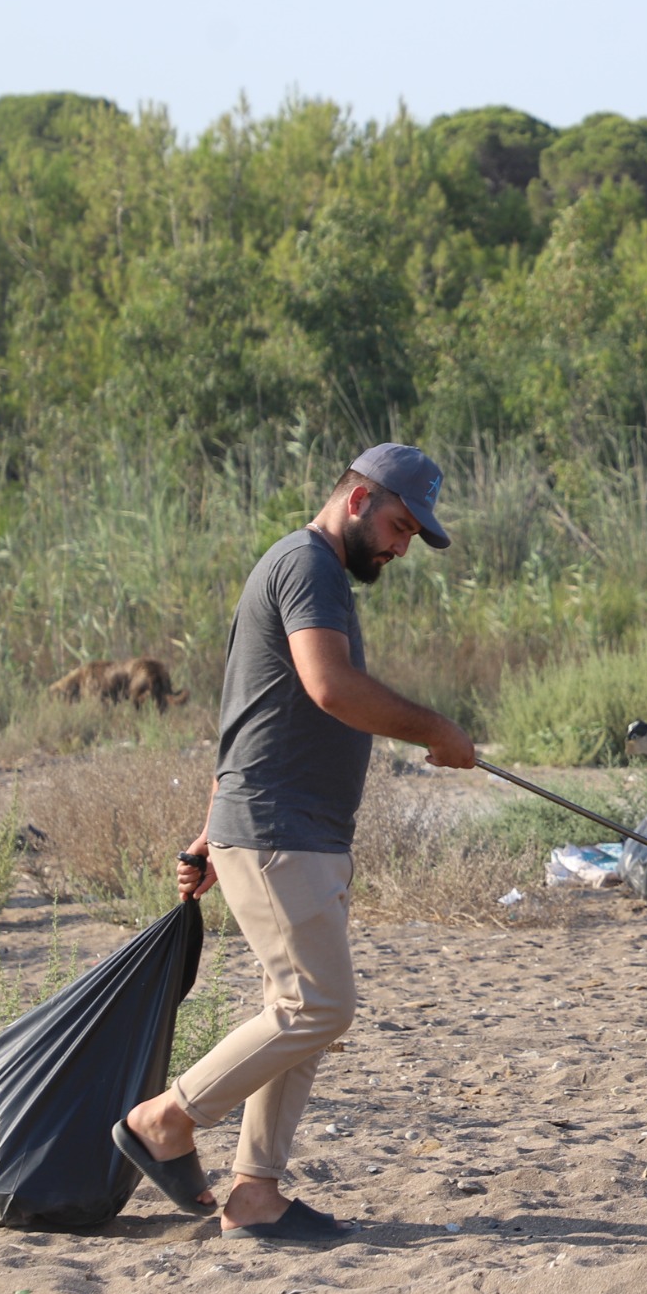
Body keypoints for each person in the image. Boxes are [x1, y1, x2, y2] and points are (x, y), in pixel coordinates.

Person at [117, 445, 479, 1240]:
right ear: (359, 500)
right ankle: (165, 1121)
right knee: (317, 1005)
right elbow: (329, 687)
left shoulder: (308, 569)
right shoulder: (307, 564)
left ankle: (255, 1193)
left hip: (293, 831)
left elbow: (252, 710)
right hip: (279, 830)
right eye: (400, 525)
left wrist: (211, 830)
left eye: (413, 535)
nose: (402, 547)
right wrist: (435, 729)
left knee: (295, 1013)